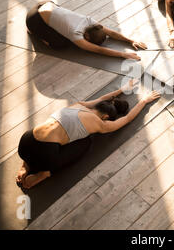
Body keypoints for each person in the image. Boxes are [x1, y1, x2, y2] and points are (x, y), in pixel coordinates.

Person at [16, 79, 161, 189]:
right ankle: (43, 173)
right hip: (45, 156)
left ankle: (25, 166)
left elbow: (102, 99)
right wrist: (144, 101)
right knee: (85, 143)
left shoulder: (79, 105)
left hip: (25, 142)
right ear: (105, 117)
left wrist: (122, 89)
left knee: (43, 136)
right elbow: (127, 119)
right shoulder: (99, 123)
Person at [26, 0, 147, 60]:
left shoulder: (90, 22)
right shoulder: (75, 34)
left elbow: (110, 32)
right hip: (33, 18)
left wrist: (130, 41)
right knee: (61, 44)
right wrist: (123, 54)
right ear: (87, 37)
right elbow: (99, 50)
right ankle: (35, 32)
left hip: (46, 2)